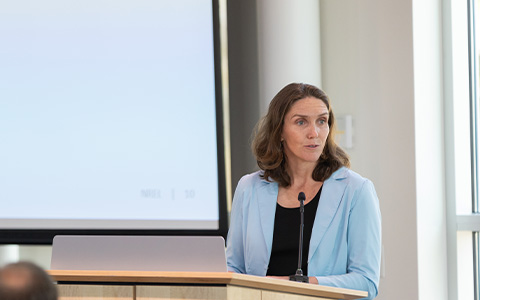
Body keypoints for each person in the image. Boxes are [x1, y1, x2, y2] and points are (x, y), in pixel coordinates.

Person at [226, 83, 381, 299]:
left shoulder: (356, 191)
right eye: (301, 122)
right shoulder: (249, 188)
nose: (314, 133)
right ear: (279, 131)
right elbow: (233, 267)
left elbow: (366, 282)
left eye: (322, 121)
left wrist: (298, 284)